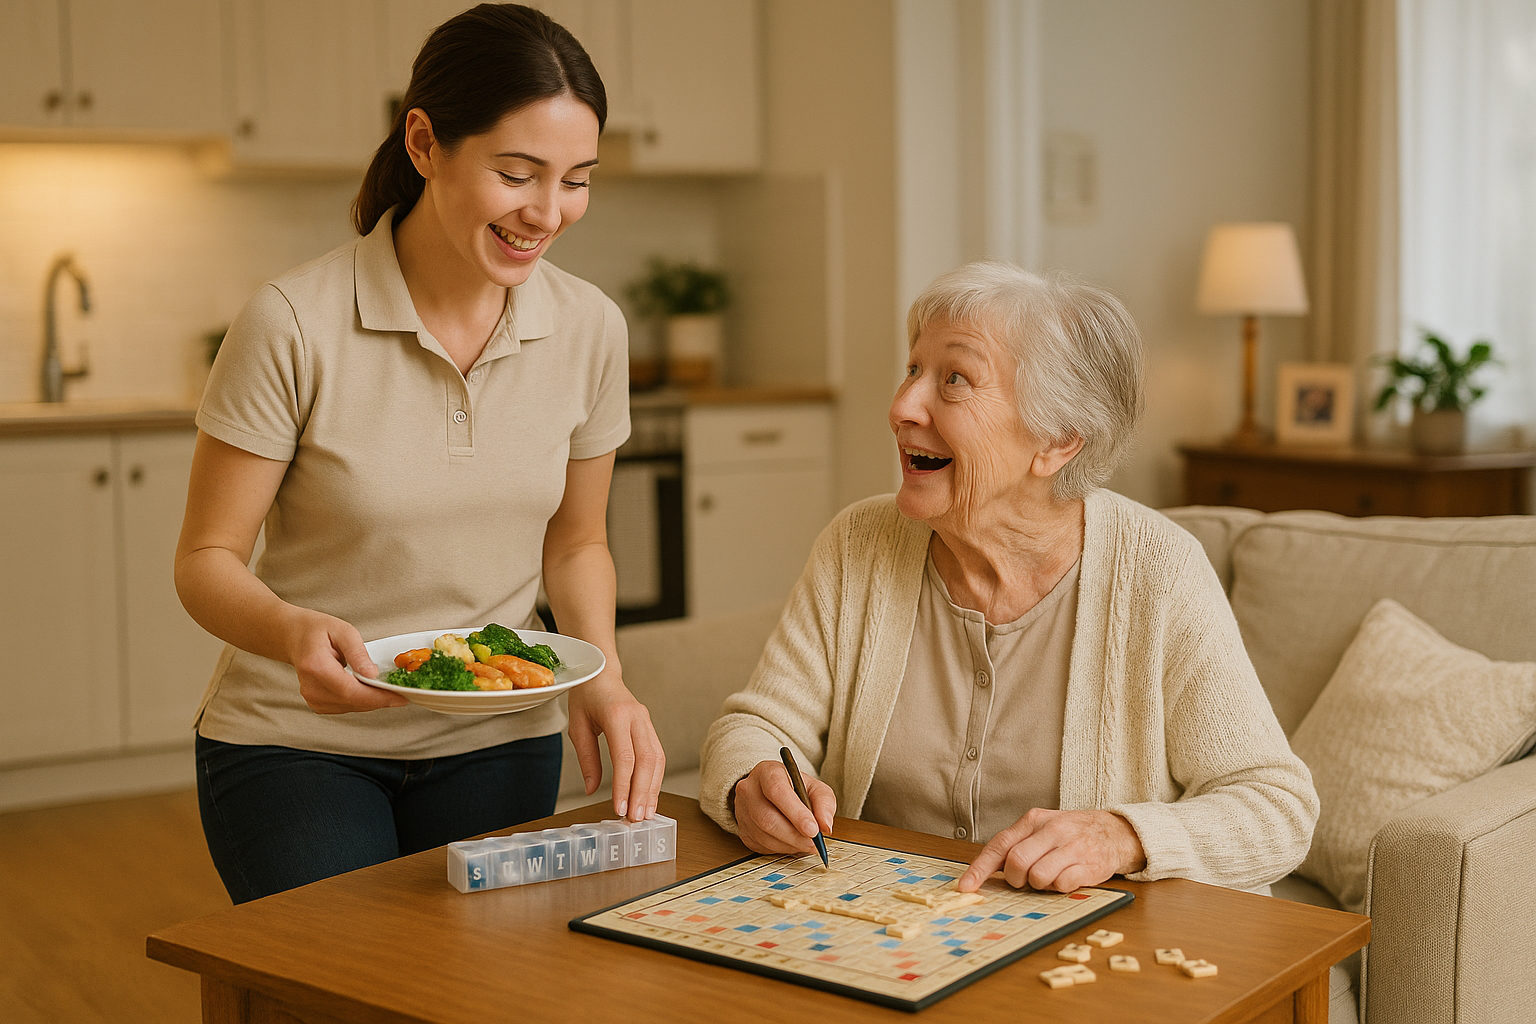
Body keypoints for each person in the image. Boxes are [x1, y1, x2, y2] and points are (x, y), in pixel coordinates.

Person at [175, 4, 663, 905]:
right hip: (297, 741)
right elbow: (205, 561)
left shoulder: (591, 327)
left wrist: (605, 676)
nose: (548, 213)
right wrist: (291, 631)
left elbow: (576, 543)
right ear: (425, 142)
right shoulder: (292, 322)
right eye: (517, 174)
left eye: (577, 180)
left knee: (481, 989)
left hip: (501, 733)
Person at [699, 261, 1317, 895]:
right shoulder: (858, 545)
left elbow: (1276, 808)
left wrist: (1122, 837)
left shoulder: (1158, 572)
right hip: (883, 931)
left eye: (954, 379)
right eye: (913, 369)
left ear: (1057, 440)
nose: (902, 406)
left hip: (1088, 958)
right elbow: (757, 727)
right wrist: (753, 781)